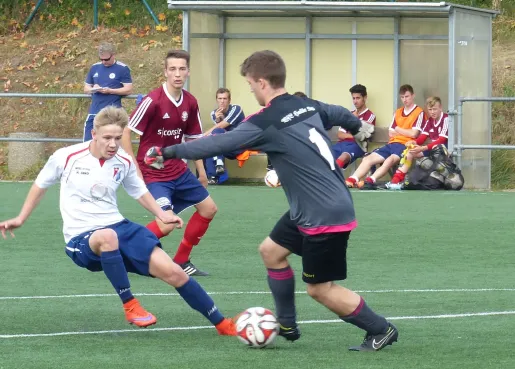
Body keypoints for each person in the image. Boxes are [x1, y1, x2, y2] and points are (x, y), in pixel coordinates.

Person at [144, 50, 398, 352]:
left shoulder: (265, 121)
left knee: (320, 289)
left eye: (250, 83)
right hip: (315, 207)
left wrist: (168, 152)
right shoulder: (306, 104)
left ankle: (381, 329)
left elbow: (218, 143)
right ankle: (287, 324)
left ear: (262, 82)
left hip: (323, 215)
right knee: (271, 251)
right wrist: (360, 129)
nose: (250, 89)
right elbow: (340, 112)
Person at [0, 106, 236, 336]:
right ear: (94, 134)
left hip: (120, 228)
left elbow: (139, 191)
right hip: (81, 237)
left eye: (117, 138)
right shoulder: (66, 157)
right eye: (107, 138)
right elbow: (40, 185)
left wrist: (163, 214)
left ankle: (222, 324)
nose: (113, 144)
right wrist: (21, 218)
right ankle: (130, 305)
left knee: (174, 272)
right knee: (107, 236)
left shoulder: (123, 161)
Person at [121, 50, 213, 277]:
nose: (177, 74)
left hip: (179, 171)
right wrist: (135, 169)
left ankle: (182, 260)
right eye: (172, 69)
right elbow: (126, 133)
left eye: (182, 69)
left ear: (188, 72)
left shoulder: (190, 102)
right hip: (153, 174)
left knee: (209, 208)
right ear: (165, 72)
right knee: (166, 224)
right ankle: (125, 252)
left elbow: (194, 141)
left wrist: (201, 173)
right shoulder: (153, 100)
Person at [346, 84, 425, 190]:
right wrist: (403, 131)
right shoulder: (397, 112)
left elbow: (414, 134)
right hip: (391, 143)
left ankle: (370, 180)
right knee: (368, 158)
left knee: (390, 160)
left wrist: (398, 129)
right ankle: (352, 179)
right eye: (402, 97)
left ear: (413, 96)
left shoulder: (419, 112)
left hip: (405, 145)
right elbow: (390, 132)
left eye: (407, 96)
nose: (404, 100)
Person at [387, 96, 449, 190]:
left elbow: (441, 140)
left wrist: (423, 148)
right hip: (430, 149)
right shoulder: (429, 121)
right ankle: (395, 180)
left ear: (440, 108)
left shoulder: (446, 119)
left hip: (442, 150)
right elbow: (422, 138)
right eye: (430, 109)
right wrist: (413, 142)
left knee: (433, 151)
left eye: (435, 109)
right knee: (410, 152)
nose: (432, 112)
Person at [83, 42, 133, 142]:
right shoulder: (95, 67)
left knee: (112, 143)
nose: (104, 62)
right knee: (88, 143)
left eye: (106, 59)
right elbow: (86, 88)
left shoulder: (122, 68)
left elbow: (128, 89)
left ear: (113, 55)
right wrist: (94, 89)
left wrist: (111, 91)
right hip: (94, 112)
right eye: (101, 59)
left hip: (113, 113)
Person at [204, 88, 245, 184]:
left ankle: (218, 167)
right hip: (225, 147)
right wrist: (218, 119)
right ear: (216, 100)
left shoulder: (236, 109)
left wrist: (202, 136)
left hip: (239, 145)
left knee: (215, 132)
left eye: (225, 98)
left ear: (229, 100)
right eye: (220, 98)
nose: (222, 101)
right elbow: (221, 130)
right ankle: (214, 177)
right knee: (210, 143)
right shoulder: (214, 113)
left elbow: (221, 126)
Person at [332, 84, 376, 169]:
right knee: (325, 155)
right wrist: (352, 135)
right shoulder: (349, 114)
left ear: (365, 98)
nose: (355, 101)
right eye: (353, 98)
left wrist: (354, 120)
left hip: (357, 146)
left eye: (358, 98)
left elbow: (363, 137)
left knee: (343, 157)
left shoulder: (370, 115)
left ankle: (334, 178)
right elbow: (340, 134)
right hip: (341, 144)